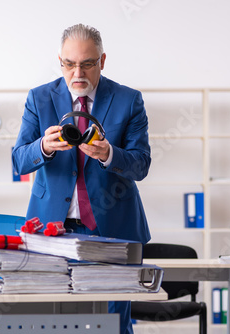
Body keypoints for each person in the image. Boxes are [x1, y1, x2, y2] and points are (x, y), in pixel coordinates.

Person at [12, 23, 151, 334]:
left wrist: (108, 154)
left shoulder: (129, 100)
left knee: (115, 323)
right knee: (54, 322)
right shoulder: (39, 98)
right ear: (60, 61)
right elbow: (19, 160)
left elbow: (141, 165)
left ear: (101, 61)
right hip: (52, 230)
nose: (78, 73)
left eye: (87, 64)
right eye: (69, 64)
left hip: (113, 230)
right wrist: (43, 147)